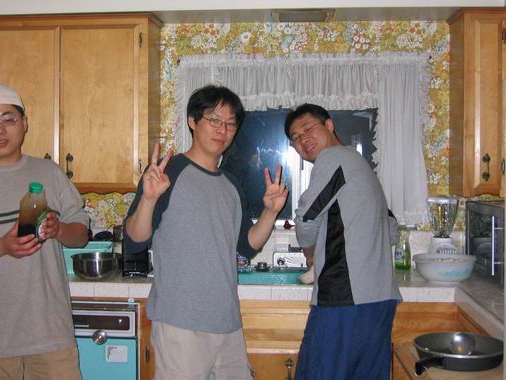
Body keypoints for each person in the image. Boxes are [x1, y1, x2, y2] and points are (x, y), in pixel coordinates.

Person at [124, 84, 288, 379]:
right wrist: (148, 199)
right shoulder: (168, 172)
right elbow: (135, 240)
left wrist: (270, 211)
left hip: (227, 322)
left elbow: (247, 246)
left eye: (230, 124)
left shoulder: (231, 185)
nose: (222, 130)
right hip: (181, 322)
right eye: (214, 120)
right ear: (192, 121)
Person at [0, 84, 89, 379]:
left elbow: (81, 235)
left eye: (8, 119)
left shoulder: (50, 173)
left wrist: (58, 229)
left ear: (24, 123)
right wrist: (2, 247)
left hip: (51, 336)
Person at [284, 103, 402, 380]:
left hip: (345, 299)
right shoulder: (359, 164)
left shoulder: (334, 158)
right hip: (379, 300)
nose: (303, 140)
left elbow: (306, 218)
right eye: (296, 138)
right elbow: (392, 229)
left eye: (308, 129)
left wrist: (310, 254)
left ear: (329, 125)